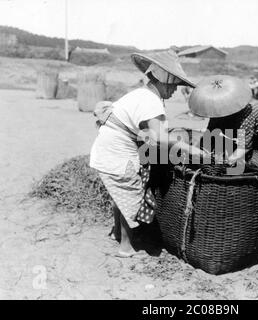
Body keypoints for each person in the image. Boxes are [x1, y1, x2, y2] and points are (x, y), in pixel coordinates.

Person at [89, 50, 207, 257]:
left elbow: (144, 130)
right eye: (174, 86)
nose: (175, 91)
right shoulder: (151, 100)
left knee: (120, 195)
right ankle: (126, 247)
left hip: (107, 149)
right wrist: (191, 149)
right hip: (117, 153)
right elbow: (160, 137)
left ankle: (118, 233)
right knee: (131, 196)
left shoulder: (140, 94)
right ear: (164, 80)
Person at [189, 75, 258, 168]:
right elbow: (209, 136)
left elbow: (243, 148)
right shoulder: (217, 113)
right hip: (245, 141)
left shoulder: (247, 117)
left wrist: (225, 164)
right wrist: (200, 154)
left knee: (248, 165)